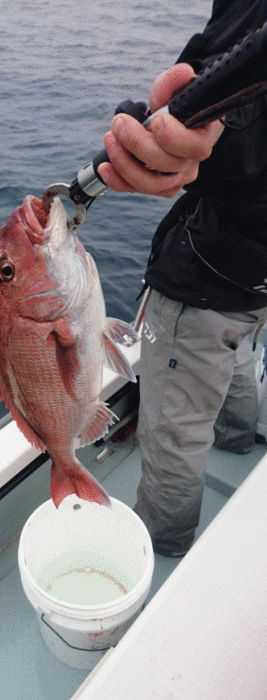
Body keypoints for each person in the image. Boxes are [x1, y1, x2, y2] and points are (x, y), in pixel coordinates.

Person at [98, 0, 267, 557]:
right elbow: (212, 62)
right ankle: (240, 441)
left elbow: (232, 124)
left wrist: (195, 149)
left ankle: (163, 543)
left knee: (173, 434)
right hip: (253, 279)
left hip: (205, 272)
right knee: (233, 340)